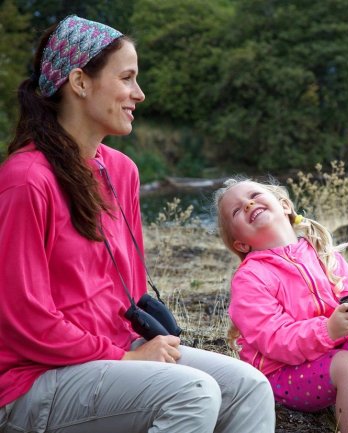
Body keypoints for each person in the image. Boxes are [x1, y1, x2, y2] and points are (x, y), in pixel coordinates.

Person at [0, 15, 274, 433]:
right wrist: (125, 359)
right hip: (33, 378)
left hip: (112, 353)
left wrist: (133, 349)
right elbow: (23, 318)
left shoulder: (121, 171)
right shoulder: (25, 181)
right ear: (80, 82)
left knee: (250, 386)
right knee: (192, 392)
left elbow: (128, 289)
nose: (139, 94)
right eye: (127, 78)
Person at [215, 178, 348, 433]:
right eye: (237, 210)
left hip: (331, 353)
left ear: (284, 205)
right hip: (283, 373)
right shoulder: (250, 278)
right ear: (241, 243)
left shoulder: (321, 252)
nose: (249, 203)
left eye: (254, 195)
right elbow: (274, 339)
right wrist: (328, 330)